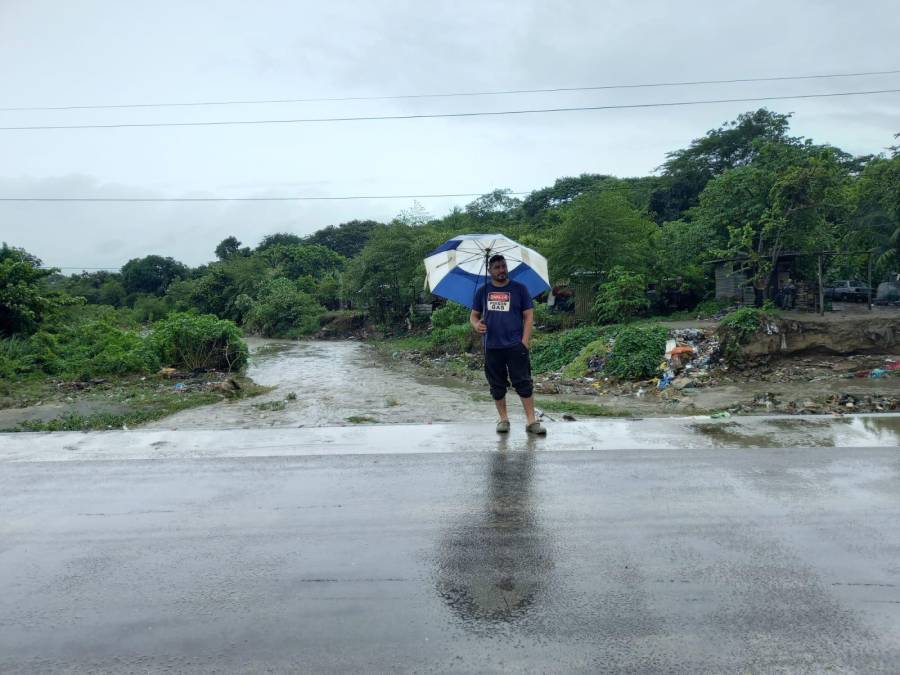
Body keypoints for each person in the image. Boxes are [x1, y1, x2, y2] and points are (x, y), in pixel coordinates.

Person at [470, 254, 547, 435]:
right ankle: (503, 420)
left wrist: (524, 342)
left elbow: (528, 316)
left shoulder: (519, 289)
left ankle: (531, 422)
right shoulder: (482, 291)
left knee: (523, 382)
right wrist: (476, 325)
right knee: (496, 385)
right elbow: (473, 315)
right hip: (492, 346)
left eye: (503, 266)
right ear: (490, 271)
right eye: (496, 267)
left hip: (515, 345)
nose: (501, 270)